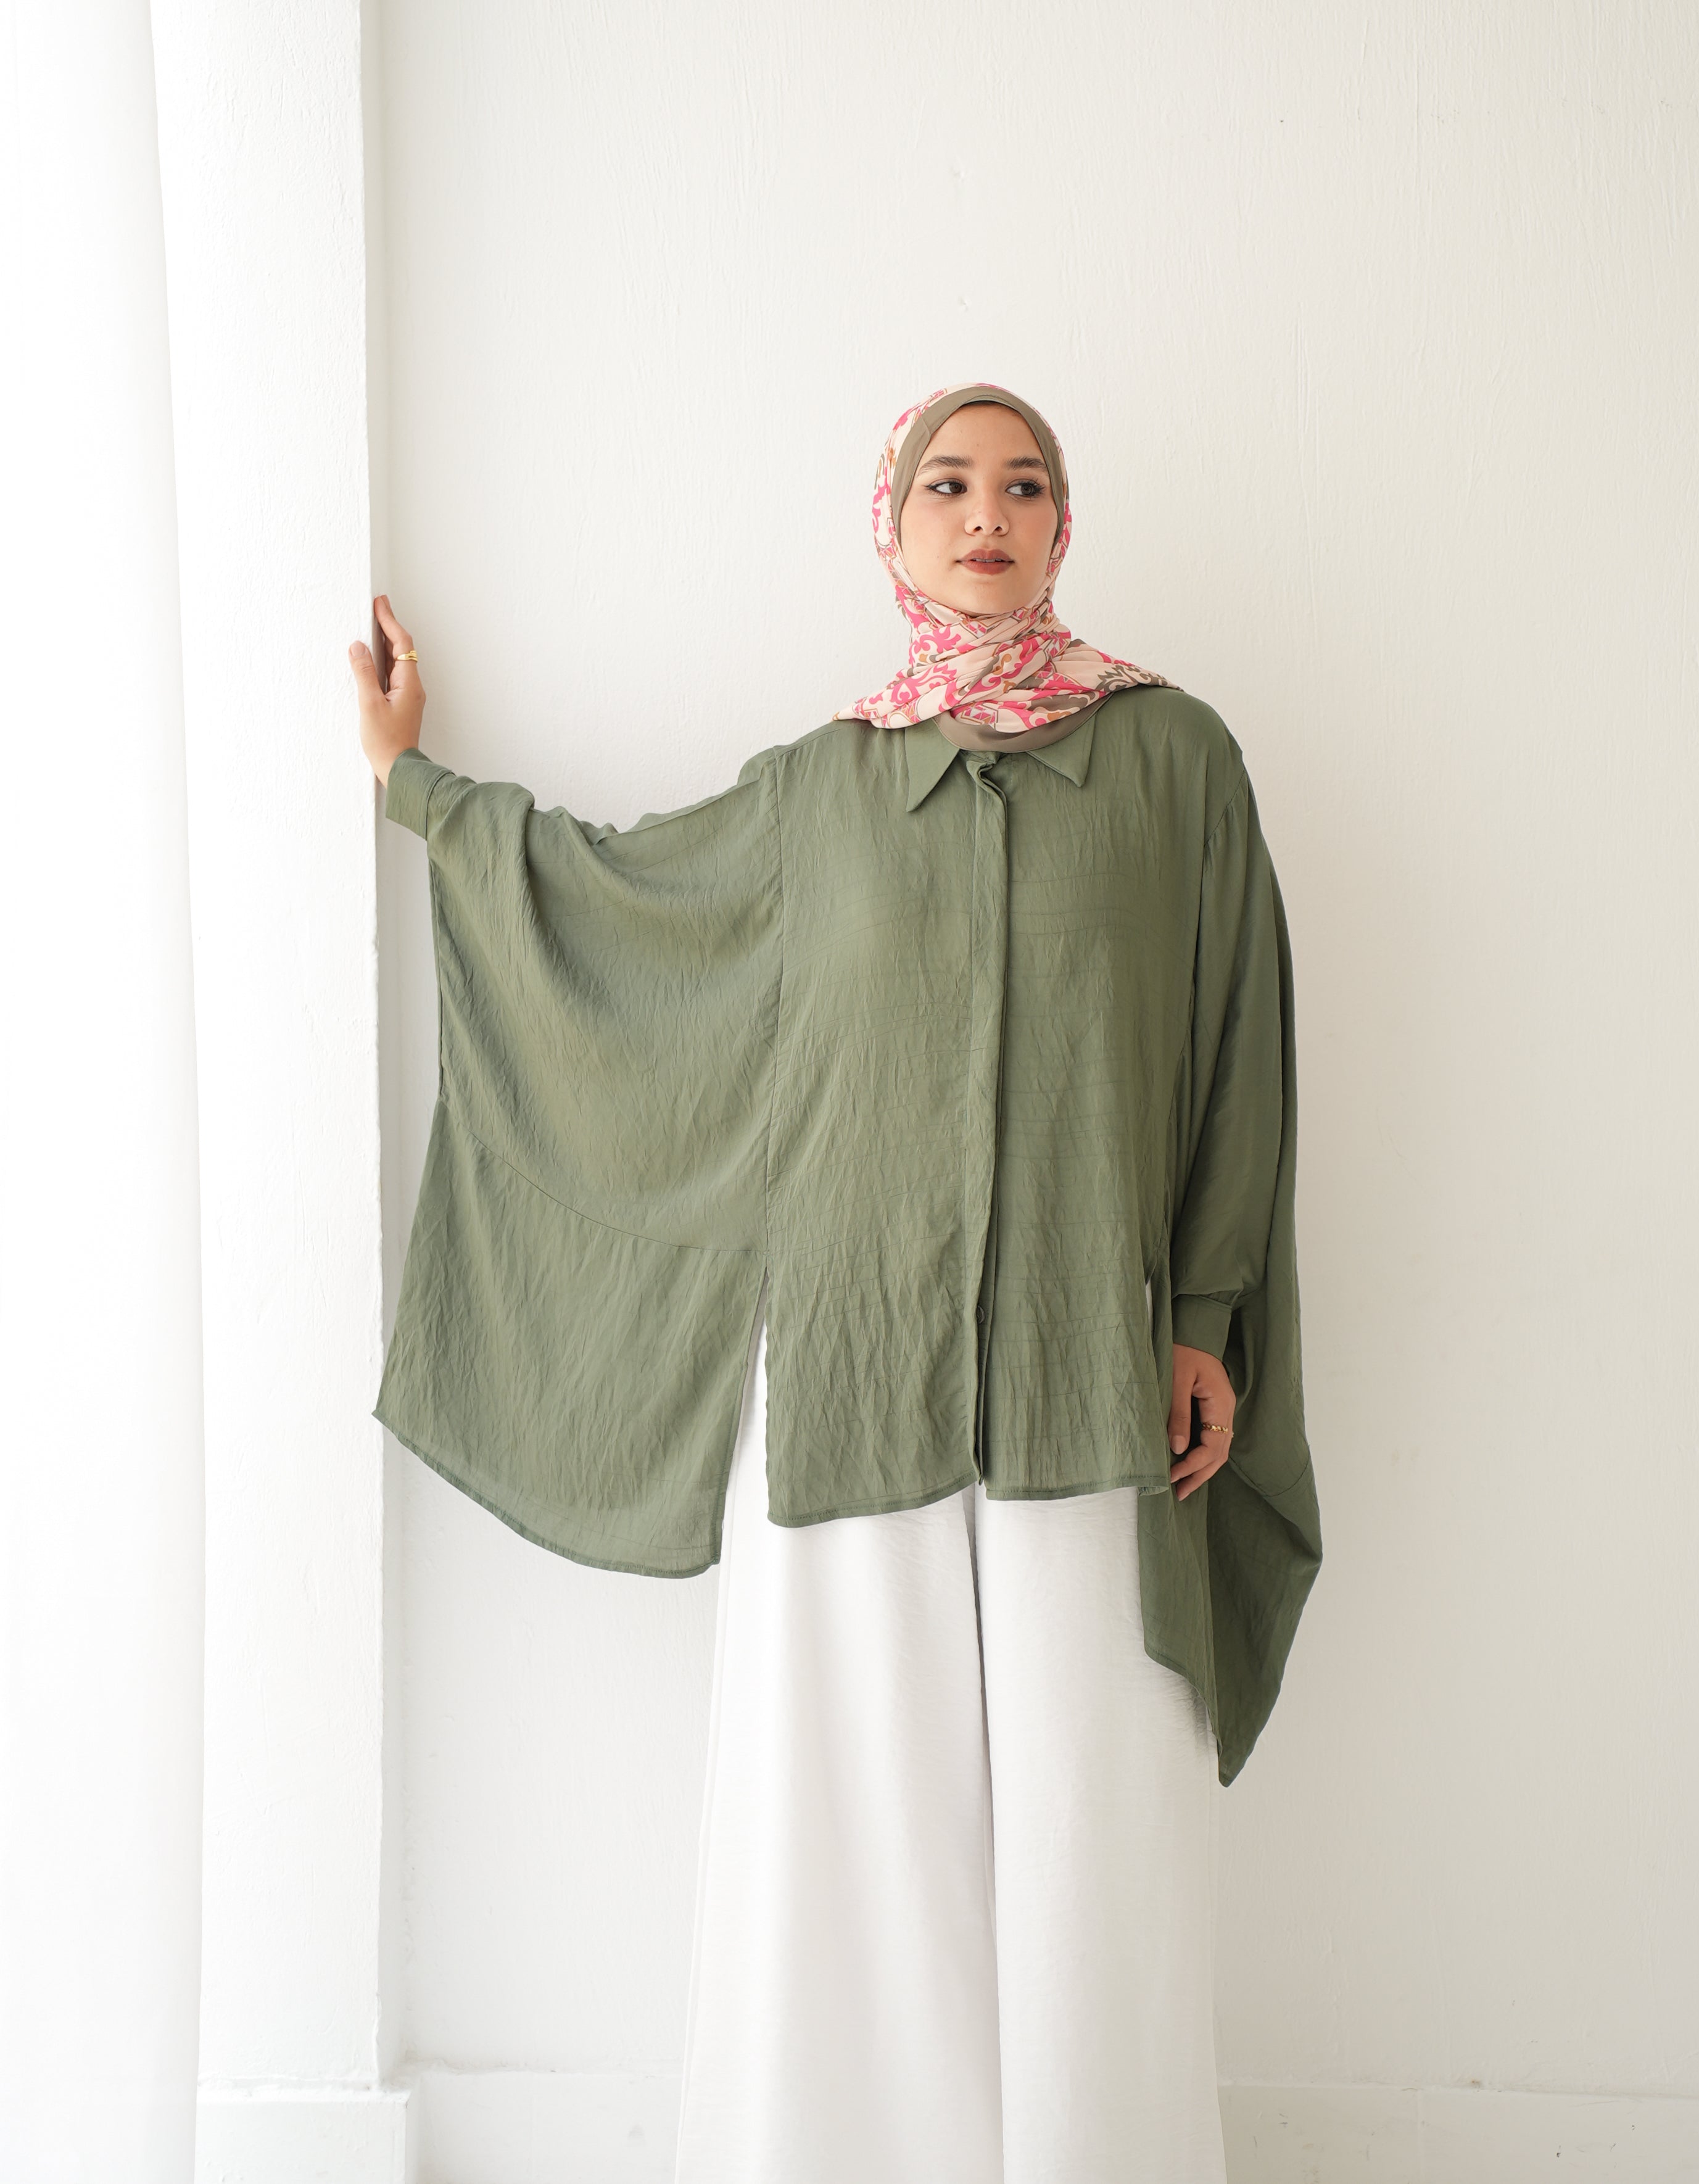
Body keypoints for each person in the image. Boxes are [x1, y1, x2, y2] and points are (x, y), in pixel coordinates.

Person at [350, 381, 1322, 2183]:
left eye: (1023, 484)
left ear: (1063, 524)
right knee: (853, 1824)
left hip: (1089, 1370)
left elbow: (1235, 1042)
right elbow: (627, 912)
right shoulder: (821, 786)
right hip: (855, 1373)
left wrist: (1206, 1317)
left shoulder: (1178, 760)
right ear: (892, 524)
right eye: (946, 483)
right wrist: (420, 789)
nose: (986, 514)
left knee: (1092, 1811)